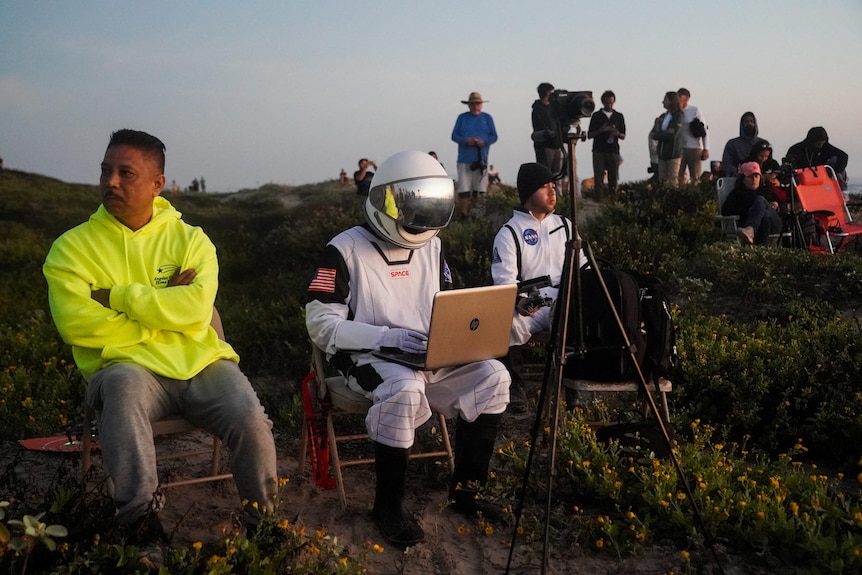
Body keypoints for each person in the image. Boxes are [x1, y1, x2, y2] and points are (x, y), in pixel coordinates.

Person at [42, 129, 278, 570]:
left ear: (157, 184)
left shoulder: (191, 241)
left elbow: (194, 312)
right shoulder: (70, 249)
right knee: (123, 389)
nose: (111, 181)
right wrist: (163, 309)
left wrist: (118, 298)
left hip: (201, 363)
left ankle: (264, 526)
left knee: (251, 418)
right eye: (106, 170)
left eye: (125, 173)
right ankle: (141, 528)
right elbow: (77, 324)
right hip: (126, 367)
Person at [306, 151, 510, 547]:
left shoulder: (432, 246)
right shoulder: (344, 249)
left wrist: (455, 338)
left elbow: (448, 301)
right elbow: (321, 325)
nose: (418, 218)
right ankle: (387, 506)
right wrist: (386, 337)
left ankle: (468, 491)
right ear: (387, 199)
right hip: (366, 355)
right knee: (404, 390)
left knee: (493, 377)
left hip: (426, 351)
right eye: (410, 205)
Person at [491, 163, 587, 412]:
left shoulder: (566, 226)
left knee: (577, 314)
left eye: (553, 186)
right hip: (529, 302)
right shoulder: (509, 233)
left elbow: (583, 268)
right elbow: (504, 281)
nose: (552, 192)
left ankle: (573, 386)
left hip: (562, 297)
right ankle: (516, 387)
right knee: (503, 320)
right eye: (544, 187)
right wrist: (520, 302)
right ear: (528, 194)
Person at [451, 91, 498, 217]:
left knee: (480, 189)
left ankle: (478, 214)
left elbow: (494, 136)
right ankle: (464, 214)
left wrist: (484, 142)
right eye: (473, 104)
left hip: (481, 159)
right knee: (464, 188)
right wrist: (466, 141)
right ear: (469, 105)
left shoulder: (487, 118)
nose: (475, 107)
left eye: (478, 104)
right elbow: (454, 135)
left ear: (481, 105)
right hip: (464, 159)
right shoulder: (462, 118)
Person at [721, 161, 783, 244]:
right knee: (765, 217)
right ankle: (761, 250)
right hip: (752, 222)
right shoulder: (737, 193)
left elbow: (784, 207)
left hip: (774, 224)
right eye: (750, 177)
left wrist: (776, 207)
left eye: (756, 176)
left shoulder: (766, 190)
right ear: (743, 179)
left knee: (761, 200)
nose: (754, 179)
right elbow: (725, 211)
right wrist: (749, 209)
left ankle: (750, 230)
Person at [587, 90, 626, 198]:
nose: (609, 105)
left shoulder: (618, 116)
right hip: (599, 150)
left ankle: (613, 199)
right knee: (598, 177)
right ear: (602, 102)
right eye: (607, 103)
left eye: (611, 103)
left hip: (613, 150)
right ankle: (598, 199)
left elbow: (623, 135)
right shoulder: (596, 116)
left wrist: (616, 133)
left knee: (613, 177)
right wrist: (601, 130)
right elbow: (589, 135)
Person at [649, 91, 685, 187]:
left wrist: (660, 134)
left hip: (673, 153)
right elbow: (653, 134)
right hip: (662, 154)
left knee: (673, 179)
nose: (662, 102)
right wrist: (664, 133)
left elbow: (672, 135)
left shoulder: (679, 116)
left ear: (671, 101)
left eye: (665, 99)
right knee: (662, 181)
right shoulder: (662, 117)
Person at [676, 88, 710, 187]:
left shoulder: (694, 110)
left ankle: (694, 196)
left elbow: (705, 130)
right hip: (680, 148)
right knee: (679, 176)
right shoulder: (675, 113)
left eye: (680, 97)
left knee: (695, 177)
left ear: (686, 99)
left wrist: (706, 148)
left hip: (694, 148)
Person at [531, 82, 563, 180]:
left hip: (556, 145)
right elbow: (543, 126)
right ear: (547, 94)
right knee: (545, 173)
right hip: (545, 146)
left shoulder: (553, 109)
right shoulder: (538, 109)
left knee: (556, 174)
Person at [721, 112, 767, 177]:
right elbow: (727, 164)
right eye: (746, 122)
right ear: (742, 125)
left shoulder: (763, 144)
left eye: (752, 121)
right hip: (738, 179)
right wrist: (742, 173)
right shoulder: (732, 144)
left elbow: (769, 163)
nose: (749, 124)